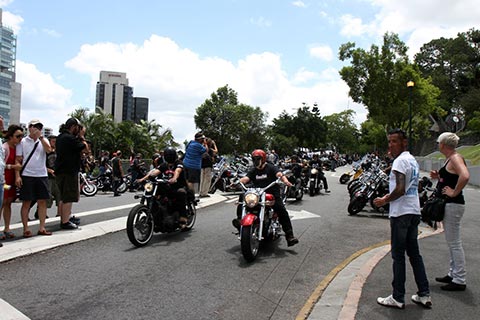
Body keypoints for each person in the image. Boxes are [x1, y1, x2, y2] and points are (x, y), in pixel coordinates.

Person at [373, 129, 431, 309]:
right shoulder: (411, 160)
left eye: (394, 141)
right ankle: (424, 293)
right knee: (414, 254)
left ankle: (398, 297)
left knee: (398, 256)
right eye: (389, 141)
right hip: (413, 211)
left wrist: (384, 200)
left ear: (404, 142)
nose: (390, 145)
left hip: (401, 214)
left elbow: (399, 189)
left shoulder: (400, 161)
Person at [232, 149, 299, 247]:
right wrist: (237, 182)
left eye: (257, 159)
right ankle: (239, 220)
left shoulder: (271, 168)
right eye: (254, 159)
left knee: (281, 210)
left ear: (263, 159)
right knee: (243, 198)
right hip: (258, 194)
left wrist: (285, 181)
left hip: (272, 194)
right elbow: (246, 178)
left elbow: (279, 174)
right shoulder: (253, 170)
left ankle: (289, 235)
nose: (255, 161)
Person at [430, 132, 470, 291]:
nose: (438, 144)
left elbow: (465, 176)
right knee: (452, 242)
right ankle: (453, 273)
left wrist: (454, 192)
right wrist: (439, 176)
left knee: (454, 243)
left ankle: (459, 278)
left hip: (453, 204)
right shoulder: (450, 158)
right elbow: (452, 176)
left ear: (443, 144)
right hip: (451, 205)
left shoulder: (455, 158)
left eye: (439, 142)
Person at [15, 119, 53, 237]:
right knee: (27, 202)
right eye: (33, 126)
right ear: (29, 128)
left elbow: (49, 150)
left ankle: (42, 227)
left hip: (41, 175)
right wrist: (17, 176)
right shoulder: (23, 142)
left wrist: (41, 138)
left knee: (42, 201)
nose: (36, 129)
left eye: (38, 127)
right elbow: (18, 159)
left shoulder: (44, 140)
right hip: (27, 175)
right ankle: (26, 228)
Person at [137, 147, 190, 226]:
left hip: (179, 186)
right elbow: (155, 171)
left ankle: (183, 217)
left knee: (181, 193)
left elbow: (177, 171)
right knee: (155, 193)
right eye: (168, 155)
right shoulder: (164, 165)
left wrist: (174, 178)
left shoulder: (179, 163)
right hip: (167, 186)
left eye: (170, 155)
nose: (169, 157)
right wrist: (143, 179)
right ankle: (157, 215)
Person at [55, 118, 89, 230]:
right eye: (77, 128)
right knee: (68, 197)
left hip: (61, 171)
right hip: (69, 172)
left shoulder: (60, 137)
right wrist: (82, 137)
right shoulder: (70, 138)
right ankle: (65, 222)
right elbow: (85, 149)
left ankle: (65, 217)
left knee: (63, 197)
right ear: (73, 126)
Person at [1, 124, 24, 242]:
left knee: (8, 203)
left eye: (21, 136)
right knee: (2, 203)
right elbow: (2, 165)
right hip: (3, 180)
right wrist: (13, 166)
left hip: (11, 181)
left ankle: (7, 228)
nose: (20, 139)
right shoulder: (4, 148)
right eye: (18, 136)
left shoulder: (17, 149)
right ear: (10, 136)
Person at [183, 132, 207, 197]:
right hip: (193, 166)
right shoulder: (199, 146)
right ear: (200, 139)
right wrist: (205, 143)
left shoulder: (190, 143)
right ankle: (191, 196)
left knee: (187, 180)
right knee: (191, 182)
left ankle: (187, 194)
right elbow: (206, 150)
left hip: (185, 164)